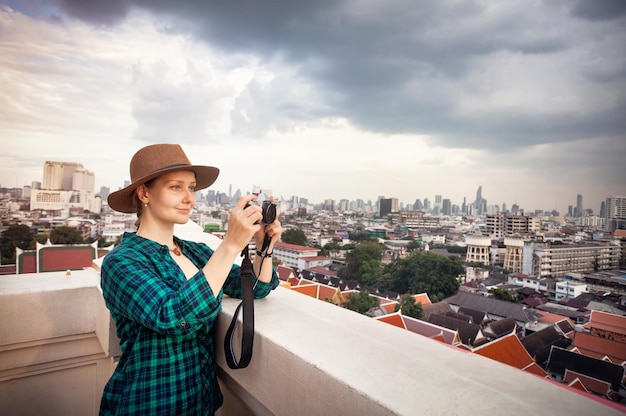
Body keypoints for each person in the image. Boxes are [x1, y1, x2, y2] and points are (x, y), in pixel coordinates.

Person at [100, 143, 282, 415]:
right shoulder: (122, 263)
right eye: (176, 187)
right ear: (144, 193)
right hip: (148, 405)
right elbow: (173, 316)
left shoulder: (195, 252)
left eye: (192, 188)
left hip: (200, 403)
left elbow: (255, 287)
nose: (190, 199)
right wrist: (230, 245)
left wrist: (264, 246)